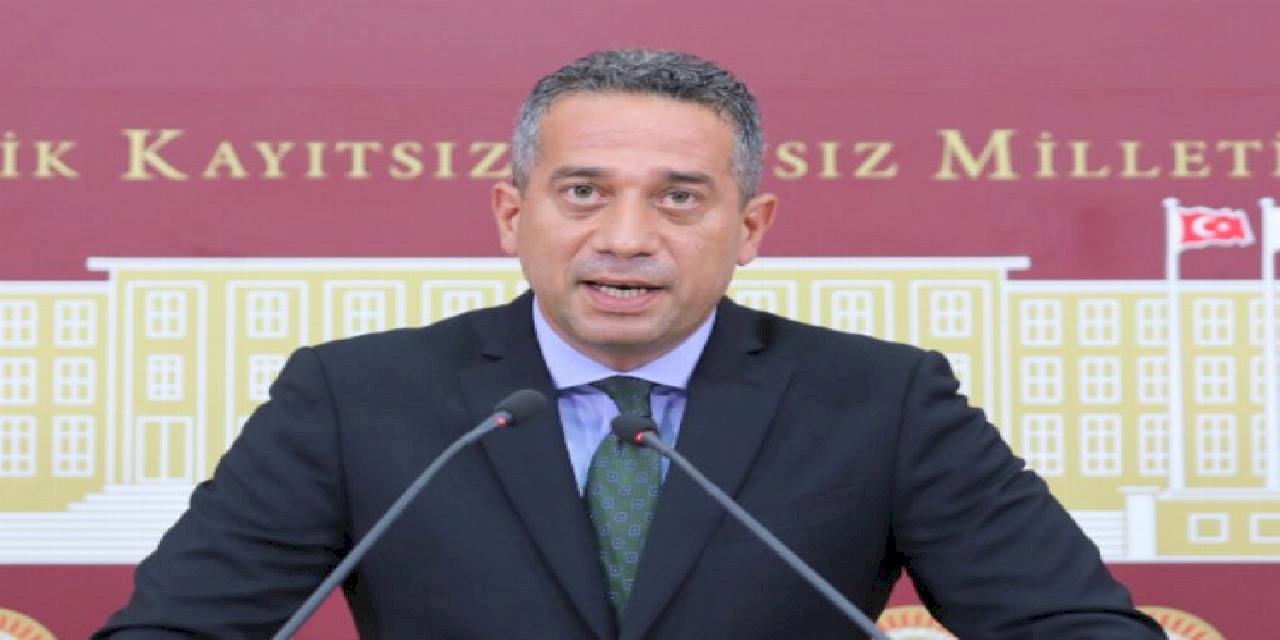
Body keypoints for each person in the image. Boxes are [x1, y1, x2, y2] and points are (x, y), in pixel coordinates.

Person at [97, 49, 1164, 639]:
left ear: (751, 228)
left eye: (679, 198)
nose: (625, 237)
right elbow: (176, 632)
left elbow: (1071, 626)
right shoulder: (357, 396)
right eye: (582, 192)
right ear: (511, 215)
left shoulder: (879, 399)